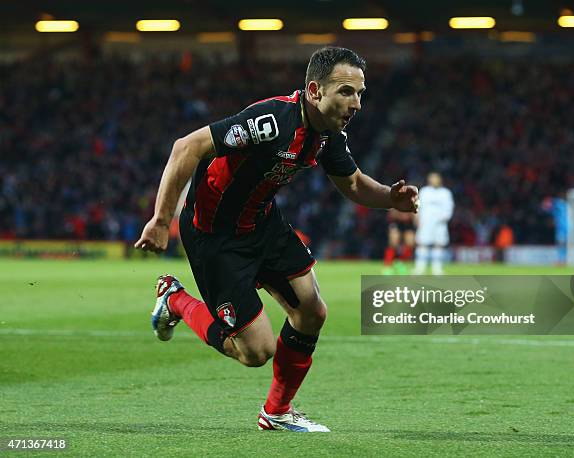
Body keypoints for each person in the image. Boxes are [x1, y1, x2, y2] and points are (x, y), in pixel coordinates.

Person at [134, 47, 419, 432]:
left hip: (263, 225)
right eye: (347, 92)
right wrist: (160, 220)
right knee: (255, 352)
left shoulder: (329, 133)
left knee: (312, 312)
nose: (357, 103)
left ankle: (277, 412)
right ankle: (176, 299)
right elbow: (187, 147)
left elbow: (352, 183)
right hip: (215, 236)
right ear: (316, 91)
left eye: (361, 93)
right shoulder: (271, 120)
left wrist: (390, 198)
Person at [413, 172, 454, 275]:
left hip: (440, 224)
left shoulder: (445, 193)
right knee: (422, 244)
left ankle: (437, 269)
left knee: (439, 245)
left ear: (440, 180)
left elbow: (449, 207)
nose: (434, 180)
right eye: (432, 178)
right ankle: (419, 268)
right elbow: (417, 206)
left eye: (436, 178)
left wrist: (445, 218)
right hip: (425, 222)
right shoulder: (424, 191)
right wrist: (416, 217)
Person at [382, 208, 416, 275]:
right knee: (393, 240)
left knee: (411, 242)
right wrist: (400, 215)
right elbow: (392, 212)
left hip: (408, 222)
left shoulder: (414, 198)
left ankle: (400, 262)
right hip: (396, 221)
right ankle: (388, 265)